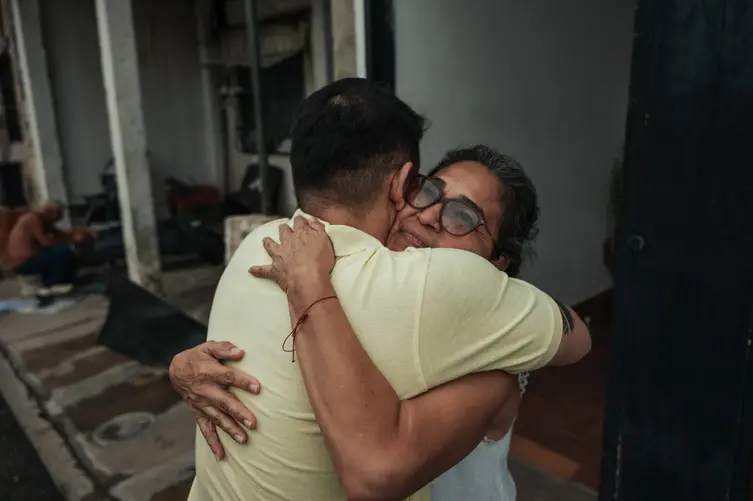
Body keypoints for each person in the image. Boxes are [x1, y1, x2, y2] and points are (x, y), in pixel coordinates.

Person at [181, 78, 591, 501]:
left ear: (497, 266)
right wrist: (187, 366)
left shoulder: (268, 244)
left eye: (462, 217)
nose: (429, 215)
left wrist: (312, 287)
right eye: (427, 192)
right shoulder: (355, 271)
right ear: (403, 187)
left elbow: (576, 338)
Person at [4, 202, 95, 287]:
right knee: (62, 253)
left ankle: (69, 280)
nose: (54, 222)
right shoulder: (33, 218)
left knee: (69, 254)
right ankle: (54, 283)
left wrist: (83, 232)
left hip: (32, 258)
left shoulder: (44, 221)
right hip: (23, 263)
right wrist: (70, 240)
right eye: (55, 219)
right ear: (49, 214)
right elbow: (46, 242)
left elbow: (61, 234)